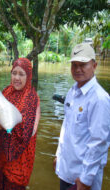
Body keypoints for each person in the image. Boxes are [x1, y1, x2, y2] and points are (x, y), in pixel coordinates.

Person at [54, 43, 110, 190]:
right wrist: (58, 155)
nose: (78, 69)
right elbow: (66, 127)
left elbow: (99, 142)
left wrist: (85, 180)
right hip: (66, 171)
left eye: (83, 65)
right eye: (74, 65)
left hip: (83, 179)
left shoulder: (99, 99)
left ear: (94, 65)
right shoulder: (72, 92)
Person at [0, 58, 41, 190]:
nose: (16, 78)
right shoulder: (6, 91)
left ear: (29, 76)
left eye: (21, 74)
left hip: (19, 158)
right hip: (1, 155)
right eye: (14, 73)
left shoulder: (32, 98)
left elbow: (29, 131)